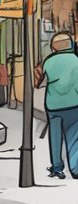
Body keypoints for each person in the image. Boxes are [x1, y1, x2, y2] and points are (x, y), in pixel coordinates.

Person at [35, 32, 78, 179]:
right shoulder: (76, 60)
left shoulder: (48, 62)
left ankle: (57, 168)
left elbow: (40, 82)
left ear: (54, 47)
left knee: (55, 136)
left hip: (53, 106)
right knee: (74, 137)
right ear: (70, 45)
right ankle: (75, 168)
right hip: (74, 104)